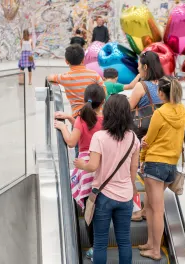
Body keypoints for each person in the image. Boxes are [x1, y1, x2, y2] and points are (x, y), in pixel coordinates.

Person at [74, 94, 140, 264]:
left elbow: (93, 165)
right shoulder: (133, 137)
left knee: (101, 242)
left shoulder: (100, 137)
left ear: (108, 112)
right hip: (125, 196)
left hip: (103, 196)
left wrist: (82, 164)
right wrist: (130, 187)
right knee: (125, 241)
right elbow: (134, 169)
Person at [54, 83, 105, 260]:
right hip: (102, 167)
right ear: (103, 101)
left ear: (85, 100)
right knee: (100, 209)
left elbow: (71, 142)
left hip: (85, 167)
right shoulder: (106, 119)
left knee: (89, 209)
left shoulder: (82, 119)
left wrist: (62, 127)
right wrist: (70, 118)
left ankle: (93, 247)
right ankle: (100, 245)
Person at [139, 76, 185, 261]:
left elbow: (148, 140)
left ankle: (156, 250)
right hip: (170, 167)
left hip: (155, 164)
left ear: (161, 93)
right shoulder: (182, 110)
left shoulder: (160, 113)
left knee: (157, 209)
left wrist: (142, 158)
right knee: (150, 206)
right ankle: (151, 243)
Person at [48, 45, 107, 119]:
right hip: (97, 115)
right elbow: (104, 92)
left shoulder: (65, 77)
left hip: (78, 116)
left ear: (66, 61)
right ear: (83, 60)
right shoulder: (94, 74)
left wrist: (51, 76)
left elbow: (50, 78)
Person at [128, 51, 165, 140]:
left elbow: (128, 108)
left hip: (145, 132)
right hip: (163, 130)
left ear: (145, 67)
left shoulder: (141, 86)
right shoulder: (165, 83)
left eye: (139, 65)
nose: (137, 68)